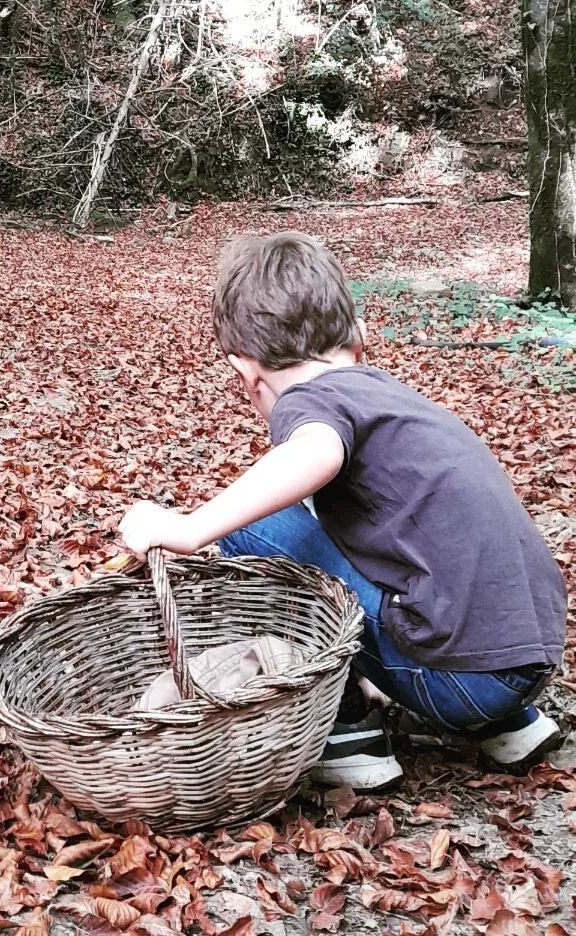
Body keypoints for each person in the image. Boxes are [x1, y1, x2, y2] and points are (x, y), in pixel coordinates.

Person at [118, 232, 566, 790]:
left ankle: (349, 729)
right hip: (530, 658)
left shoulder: (311, 401)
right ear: (359, 342)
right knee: (371, 542)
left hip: (458, 682)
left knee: (255, 526)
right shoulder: (392, 401)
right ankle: (509, 725)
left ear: (247, 372)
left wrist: (188, 528)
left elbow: (315, 453)